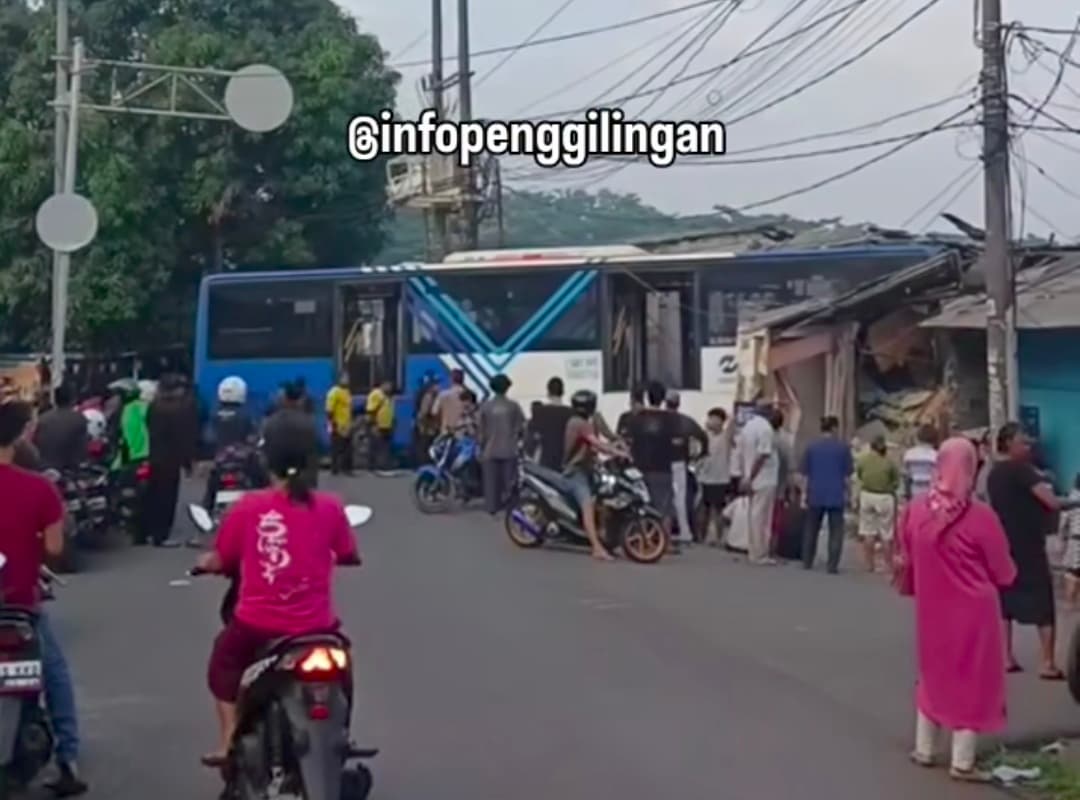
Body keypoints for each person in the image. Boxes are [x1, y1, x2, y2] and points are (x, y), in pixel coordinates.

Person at [195, 415, 361, 764]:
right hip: (318, 629)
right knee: (344, 669)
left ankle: (228, 743)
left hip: (256, 626)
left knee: (224, 665)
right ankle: (342, 734)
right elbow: (347, 553)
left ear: (265, 459)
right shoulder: (330, 507)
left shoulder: (247, 508)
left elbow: (225, 559)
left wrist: (207, 563)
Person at [898, 437, 1017, 782]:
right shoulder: (981, 517)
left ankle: (925, 748)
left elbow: (906, 556)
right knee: (972, 679)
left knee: (933, 672)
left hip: (931, 607)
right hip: (974, 613)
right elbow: (1004, 572)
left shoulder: (917, 510)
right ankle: (962, 761)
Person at [0, 401, 87, 795]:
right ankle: (67, 761)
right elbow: (54, 548)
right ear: (19, 438)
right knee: (55, 674)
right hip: (20, 605)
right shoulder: (39, 488)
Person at [987, 422, 1080, 679]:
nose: (1028, 446)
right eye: (1023, 442)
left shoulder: (994, 474)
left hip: (1002, 544)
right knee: (1042, 603)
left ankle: (1006, 657)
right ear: (1008, 444)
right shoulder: (1023, 471)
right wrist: (1074, 501)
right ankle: (1047, 662)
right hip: (1028, 545)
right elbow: (1050, 502)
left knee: (1005, 600)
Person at [564, 389, 626, 561]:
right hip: (575, 472)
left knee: (606, 498)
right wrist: (617, 452)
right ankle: (596, 548)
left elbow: (607, 434)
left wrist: (619, 443)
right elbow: (597, 443)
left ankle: (607, 540)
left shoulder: (591, 419)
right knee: (588, 505)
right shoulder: (578, 423)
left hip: (590, 468)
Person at [624, 382, 681, 554]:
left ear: (648, 396)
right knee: (664, 507)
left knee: (640, 504)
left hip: (639, 468)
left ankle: (640, 537)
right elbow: (677, 442)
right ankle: (666, 542)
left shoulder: (637, 418)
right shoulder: (671, 419)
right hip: (663, 467)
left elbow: (628, 441)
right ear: (663, 398)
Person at [201, 377, 262, 514]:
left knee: (211, 490)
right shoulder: (246, 415)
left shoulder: (214, 415)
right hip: (243, 462)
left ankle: (207, 512)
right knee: (262, 485)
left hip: (220, 463)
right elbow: (255, 437)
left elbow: (207, 438)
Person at [800, 416, 853, 574]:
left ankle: (807, 561)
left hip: (815, 492)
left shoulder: (811, 447)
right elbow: (847, 476)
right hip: (836, 494)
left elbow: (804, 475)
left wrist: (803, 494)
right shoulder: (843, 448)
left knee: (811, 528)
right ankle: (832, 565)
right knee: (836, 530)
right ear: (835, 428)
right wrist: (849, 495)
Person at [477, 374, 525, 515]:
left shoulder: (485, 407)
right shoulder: (513, 406)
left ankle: (492, 507)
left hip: (489, 450)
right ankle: (511, 507)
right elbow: (521, 427)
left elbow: (480, 430)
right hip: (509, 449)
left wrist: (480, 447)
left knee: (490, 482)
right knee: (510, 481)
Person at [739, 400, 780, 565]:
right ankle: (760, 553)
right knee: (762, 517)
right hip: (764, 478)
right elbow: (763, 455)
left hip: (751, 477)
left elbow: (743, 454)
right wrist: (751, 476)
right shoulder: (766, 429)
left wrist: (745, 476)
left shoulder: (748, 427)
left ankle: (753, 550)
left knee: (753, 515)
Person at [664, 391, 707, 545]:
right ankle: (685, 531)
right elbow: (703, 437)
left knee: (661, 497)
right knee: (680, 499)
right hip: (679, 462)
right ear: (678, 403)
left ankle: (663, 531)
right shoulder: (686, 421)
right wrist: (699, 455)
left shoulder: (660, 420)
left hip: (660, 463)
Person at [856, 435, 900, 573]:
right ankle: (887, 565)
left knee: (868, 531)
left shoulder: (863, 460)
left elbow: (859, 475)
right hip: (885, 497)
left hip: (867, 495)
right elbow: (896, 482)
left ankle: (869, 564)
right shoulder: (889, 462)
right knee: (886, 533)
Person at [33, 384, 88, 471]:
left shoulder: (43, 418)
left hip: (41, 467)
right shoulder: (79, 419)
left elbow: (34, 442)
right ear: (73, 399)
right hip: (65, 470)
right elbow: (81, 451)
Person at [700, 408, 733, 547]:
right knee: (704, 509)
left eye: (714, 418)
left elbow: (733, 424)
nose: (710, 421)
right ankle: (701, 537)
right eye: (710, 418)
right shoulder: (705, 436)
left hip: (721, 478)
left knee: (718, 509)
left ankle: (719, 538)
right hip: (704, 477)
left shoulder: (726, 437)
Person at [527, 377, 575, 471]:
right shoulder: (571, 413)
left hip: (545, 459)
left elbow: (532, 437)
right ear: (563, 392)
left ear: (548, 392)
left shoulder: (539, 411)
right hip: (564, 460)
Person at [326, 373, 353, 476]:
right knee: (336, 447)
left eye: (348, 378)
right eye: (344, 378)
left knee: (347, 447)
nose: (347, 380)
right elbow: (329, 410)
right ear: (339, 379)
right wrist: (333, 423)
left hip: (346, 424)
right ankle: (335, 469)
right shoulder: (334, 392)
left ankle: (346, 469)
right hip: (337, 424)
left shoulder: (347, 392)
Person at [365, 378, 395, 471]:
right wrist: (373, 425)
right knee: (374, 446)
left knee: (385, 447)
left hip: (387, 425)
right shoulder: (376, 394)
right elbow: (371, 411)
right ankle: (372, 466)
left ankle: (384, 465)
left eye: (390, 385)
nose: (390, 387)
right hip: (377, 425)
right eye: (388, 385)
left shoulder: (388, 396)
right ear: (383, 384)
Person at [903, 424, 939, 500]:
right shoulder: (936, 456)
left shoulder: (909, 454)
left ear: (918, 438)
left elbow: (906, 476)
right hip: (931, 492)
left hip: (914, 490)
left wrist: (907, 494)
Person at [413, 373, 440, 465]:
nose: (438, 387)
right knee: (425, 446)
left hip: (428, 426)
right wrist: (423, 426)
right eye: (436, 384)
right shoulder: (429, 396)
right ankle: (424, 464)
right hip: (427, 427)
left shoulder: (431, 395)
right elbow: (424, 412)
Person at [1062, 474, 1080, 608]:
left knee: (1072, 572)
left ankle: (1070, 603)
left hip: (1075, 539)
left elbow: (1064, 521)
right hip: (1076, 538)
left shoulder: (1072, 498)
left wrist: (1062, 538)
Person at [433, 369, 466, 435]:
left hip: (447, 431)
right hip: (463, 432)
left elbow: (434, 412)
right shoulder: (469, 396)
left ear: (451, 379)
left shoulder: (443, 394)